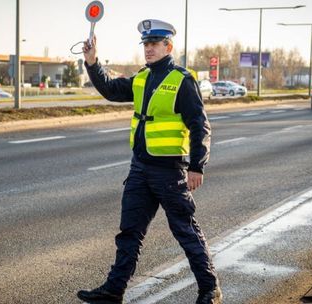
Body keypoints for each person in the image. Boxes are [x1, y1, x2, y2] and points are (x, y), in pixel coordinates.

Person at [77, 19, 221, 304]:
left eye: (154, 44)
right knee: (129, 232)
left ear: (168, 46)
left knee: (185, 230)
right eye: (145, 44)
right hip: (140, 168)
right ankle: (114, 290)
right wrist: (92, 63)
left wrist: (197, 166)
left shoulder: (182, 79)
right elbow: (111, 89)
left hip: (170, 171)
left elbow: (199, 126)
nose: (148, 49)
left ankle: (210, 289)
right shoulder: (142, 78)